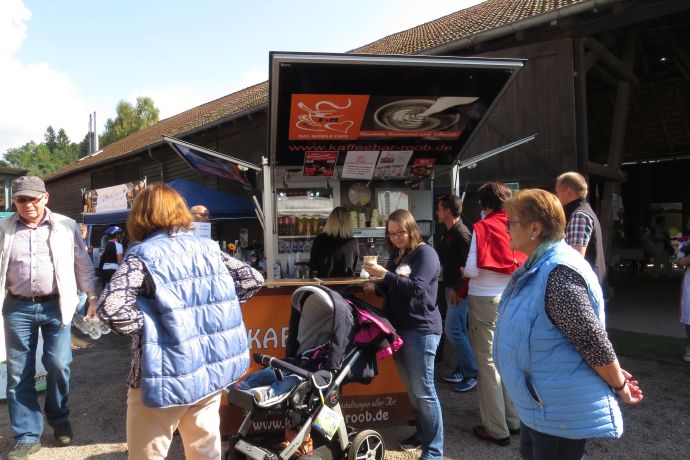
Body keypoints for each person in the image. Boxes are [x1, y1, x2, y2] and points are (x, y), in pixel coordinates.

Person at [96, 184, 263, 460]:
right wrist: (215, 312)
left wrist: (152, 328)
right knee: (205, 453)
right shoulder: (208, 248)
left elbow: (111, 309)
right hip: (207, 373)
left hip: (161, 373)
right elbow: (253, 280)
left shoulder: (142, 254)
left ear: (139, 216)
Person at [496, 189, 643, 459]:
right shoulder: (540, 266)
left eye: (511, 222)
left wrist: (619, 384)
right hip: (543, 403)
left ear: (534, 228)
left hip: (556, 408)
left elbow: (590, 339)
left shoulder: (558, 272)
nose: (506, 228)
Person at [1, 176, 98, 460]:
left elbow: (83, 263)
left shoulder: (66, 226)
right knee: (19, 373)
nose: (28, 204)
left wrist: (92, 296)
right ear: (14, 202)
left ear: (46, 198)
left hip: (57, 304)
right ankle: (27, 435)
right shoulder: (4, 229)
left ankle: (59, 417)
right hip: (17, 307)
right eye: (21, 199)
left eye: (33, 198)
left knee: (58, 363)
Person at [363, 209, 443, 460]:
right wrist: (375, 286)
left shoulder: (425, 253)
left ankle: (435, 449)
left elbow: (417, 289)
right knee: (412, 389)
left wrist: (383, 275)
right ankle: (422, 433)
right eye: (391, 233)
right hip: (398, 328)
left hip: (422, 329)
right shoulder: (397, 255)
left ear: (411, 230)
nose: (396, 237)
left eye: (400, 233)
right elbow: (394, 289)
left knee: (424, 390)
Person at [464, 181, 527, 446]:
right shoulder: (517, 224)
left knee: (488, 365)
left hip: (484, 299)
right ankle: (513, 421)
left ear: (485, 203)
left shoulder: (482, 227)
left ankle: (496, 428)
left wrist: (462, 273)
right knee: (507, 360)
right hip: (511, 297)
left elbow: (472, 269)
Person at [435, 194, 477, 392]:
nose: (437, 212)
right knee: (457, 330)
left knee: (453, 330)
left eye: (439, 209)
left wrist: (460, 290)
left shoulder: (461, 233)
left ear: (448, 212)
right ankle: (463, 368)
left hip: (458, 291)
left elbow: (470, 264)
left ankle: (471, 373)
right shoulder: (448, 231)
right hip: (451, 287)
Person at [555, 172, 606, 284]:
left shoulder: (579, 215)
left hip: (583, 285)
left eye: (557, 192)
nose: (556, 197)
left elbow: (575, 258)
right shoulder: (585, 210)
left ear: (568, 192)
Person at [309, 206, 359, 278]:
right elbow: (354, 267)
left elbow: (313, 266)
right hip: (347, 286)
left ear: (329, 221)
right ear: (348, 223)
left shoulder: (319, 240)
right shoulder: (353, 242)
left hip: (324, 285)